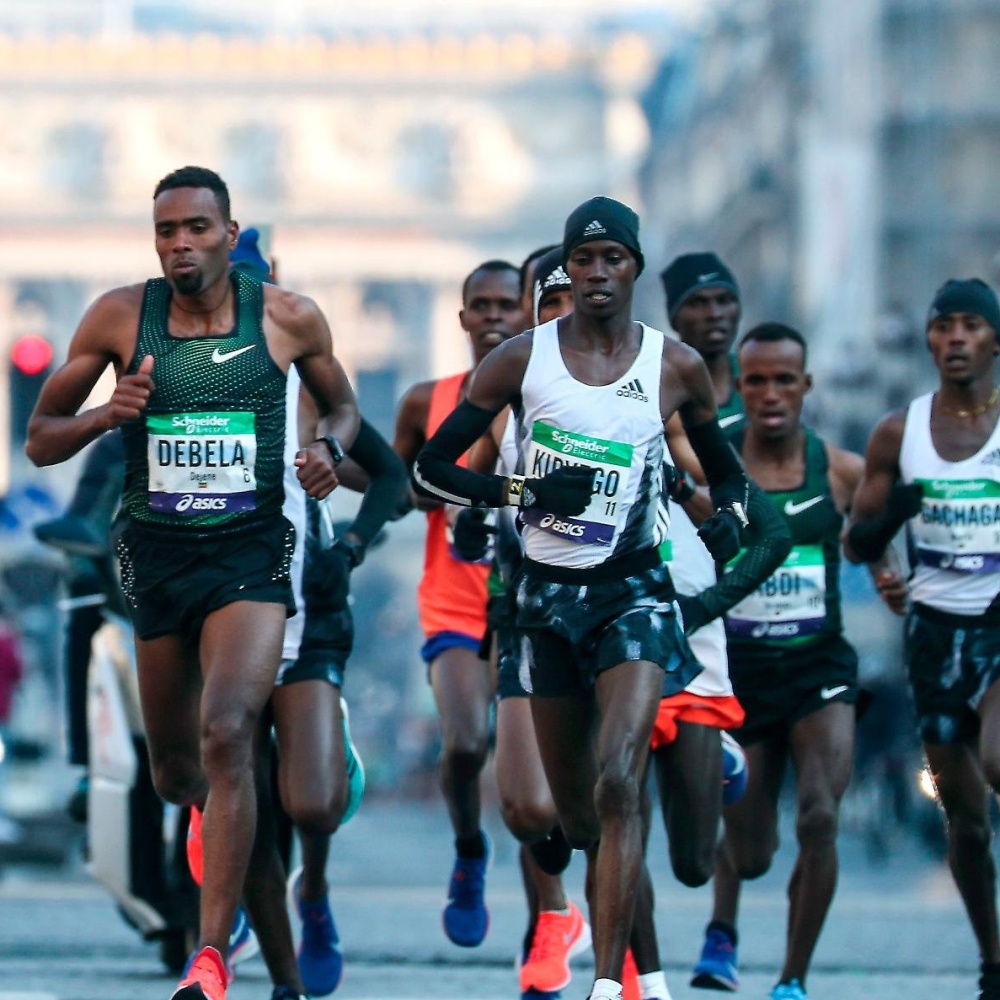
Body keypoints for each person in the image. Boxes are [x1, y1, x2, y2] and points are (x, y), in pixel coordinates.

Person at [25, 165, 359, 1000]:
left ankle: (209, 956)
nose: (182, 245)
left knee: (229, 732)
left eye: (198, 229)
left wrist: (328, 452)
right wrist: (109, 411)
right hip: (157, 558)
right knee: (184, 776)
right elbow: (40, 439)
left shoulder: (287, 319)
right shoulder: (116, 316)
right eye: (167, 231)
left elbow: (343, 409)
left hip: (252, 555)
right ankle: (281, 964)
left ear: (229, 233)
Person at [414, 195, 752, 1000]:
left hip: (632, 593)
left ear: (635, 268)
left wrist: (727, 516)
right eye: (584, 260)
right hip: (541, 604)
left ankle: (612, 982)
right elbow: (432, 467)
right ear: (567, 270)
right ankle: (645, 968)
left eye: (614, 259)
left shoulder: (673, 366)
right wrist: (522, 487)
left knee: (619, 777)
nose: (598, 274)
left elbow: (724, 467)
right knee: (576, 819)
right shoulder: (521, 360)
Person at [690, 322, 870, 1000]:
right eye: (756, 380)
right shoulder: (716, 467)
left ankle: (793, 977)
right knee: (754, 851)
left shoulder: (841, 471)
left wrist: (885, 569)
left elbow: (871, 539)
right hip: (741, 676)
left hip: (821, 668)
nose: (770, 394)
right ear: (739, 386)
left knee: (821, 815)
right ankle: (724, 926)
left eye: (784, 380)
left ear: (806, 387)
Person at [844, 278, 1000, 1000]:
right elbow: (856, 541)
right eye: (945, 327)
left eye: (972, 326)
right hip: (935, 636)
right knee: (965, 823)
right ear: (931, 340)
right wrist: (887, 536)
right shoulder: (897, 434)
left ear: (993, 340)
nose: (957, 338)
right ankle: (992, 958)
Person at [454, 247, 592, 999]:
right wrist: (482, 517)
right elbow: (460, 490)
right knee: (528, 804)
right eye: (550, 304)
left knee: (612, 792)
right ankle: (557, 911)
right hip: (524, 611)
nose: (564, 320)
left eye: (577, 302)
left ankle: (629, 961)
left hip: (615, 613)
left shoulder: (642, 391)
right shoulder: (507, 400)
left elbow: (692, 491)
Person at [392, 258, 525, 947]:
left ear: (529, 312)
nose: (497, 316)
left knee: (536, 780)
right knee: (468, 740)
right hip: (454, 597)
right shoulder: (427, 401)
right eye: (484, 304)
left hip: (533, 600)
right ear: (464, 317)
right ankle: (470, 849)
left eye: (510, 303)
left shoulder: (555, 400)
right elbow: (397, 480)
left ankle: (552, 918)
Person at [661, 253, 744, 433]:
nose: (714, 314)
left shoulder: (759, 377)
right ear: (674, 319)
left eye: (724, 300)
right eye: (697, 303)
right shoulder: (654, 384)